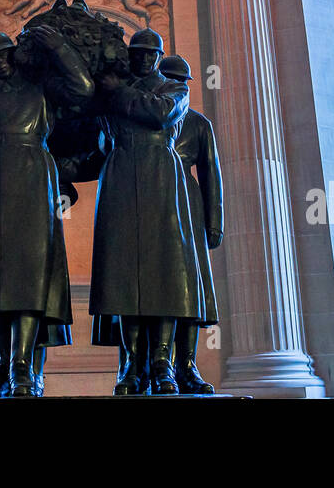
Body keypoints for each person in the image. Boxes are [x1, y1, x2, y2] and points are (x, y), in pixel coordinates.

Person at [0, 27, 93, 396]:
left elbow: (82, 89)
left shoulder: (39, 87)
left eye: (2, 55)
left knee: (28, 279)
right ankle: (1, 365)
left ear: (13, 54)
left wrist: (58, 45)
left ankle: (21, 368)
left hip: (34, 182)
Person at [91, 28, 209, 395]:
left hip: (162, 175)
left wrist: (118, 92)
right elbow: (97, 135)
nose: (143, 59)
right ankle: (130, 364)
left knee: (166, 273)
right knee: (123, 276)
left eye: (150, 53)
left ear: (159, 56)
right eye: (138, 53)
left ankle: (163, 363)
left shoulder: (175, 89)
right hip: (121, 173)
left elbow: (159, 113)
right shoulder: (111, 89)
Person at [159, 54, 223, 394]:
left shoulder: (198, 124)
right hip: (156, 211)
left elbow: (211, 176)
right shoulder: (152, 120)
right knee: (161, 293)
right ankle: (160, 366)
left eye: (182, 82)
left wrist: (215, 223)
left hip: (189, 211)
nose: (178, 87)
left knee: (191, 296)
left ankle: (186, 366)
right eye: (172, 80)